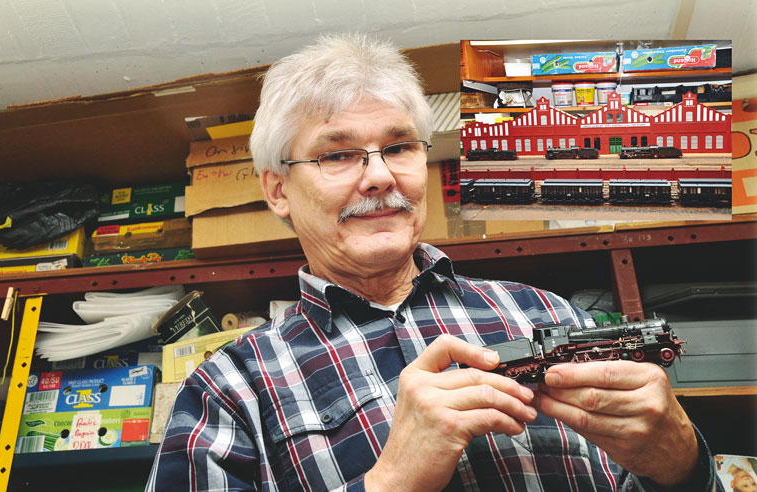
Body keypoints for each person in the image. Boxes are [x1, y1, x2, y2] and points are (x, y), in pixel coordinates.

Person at [147, 33, 722, 492]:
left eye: (398, 147)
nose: (379, 176)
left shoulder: (548, 315)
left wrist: (682, 466)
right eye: (338, 154)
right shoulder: (229, 387)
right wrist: (390, 482)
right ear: (277, 190)